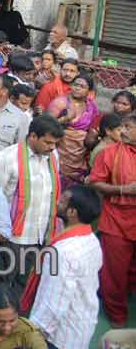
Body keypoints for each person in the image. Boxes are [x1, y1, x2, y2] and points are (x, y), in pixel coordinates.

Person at [0, 115, 64, 296]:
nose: (52, 147)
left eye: (55, 143)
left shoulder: (52, 156)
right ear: (32, 136)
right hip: (14, 237)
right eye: (47, 142)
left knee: (28, 282)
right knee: (6, 282)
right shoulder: (6, 158)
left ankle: (20, 318)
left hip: (42, 234)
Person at [28, 185, 103, 349]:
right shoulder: (91, 240)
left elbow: (54, 304)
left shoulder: (62, 253)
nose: (57, 203)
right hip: (82, 324)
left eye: (62, 201)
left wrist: (33, 335)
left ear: (72, 212)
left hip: (60, 336)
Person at [88, 113, 136, 328]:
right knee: (114, 271)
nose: (123, 131)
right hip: (116, 218)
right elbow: (96, 183)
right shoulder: (108, 154)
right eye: (122, 127)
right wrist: (124, 189)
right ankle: (117, 316)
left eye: (128, 127)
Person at [46, 74, 99, 184]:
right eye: (75, 85)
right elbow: (45, 125)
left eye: (82, 86)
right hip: (60, 150)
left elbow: (92, 128)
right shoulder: (61, 103)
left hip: (79, 154)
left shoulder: (91, 107)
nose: (77, 88)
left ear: (89, 91)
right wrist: (65, 119)